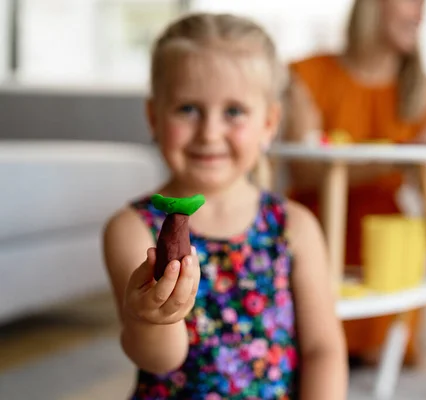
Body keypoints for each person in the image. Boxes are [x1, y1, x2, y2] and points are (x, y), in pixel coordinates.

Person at [102, 13, 347, 399]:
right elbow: (160, 360)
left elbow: (323, 350)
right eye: (188, 109)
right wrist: (153, 317)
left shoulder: (294, 226)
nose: (210, 132)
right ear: (154, 116)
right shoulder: (133, 229)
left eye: (234, 112)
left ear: (268, 123)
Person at [283, 0, 426, 364]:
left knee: (379, 353)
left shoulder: (425, 90)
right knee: (315, 346)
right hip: (314, 224)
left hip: (384, 235)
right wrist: (399, 153)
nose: (422, 12)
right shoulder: (308, 74)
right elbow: (305, 171)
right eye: (411, 1)